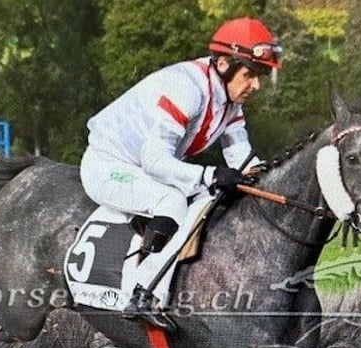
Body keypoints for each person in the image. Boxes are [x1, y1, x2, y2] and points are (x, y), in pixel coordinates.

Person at [79, 17, 282, 328]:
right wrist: (211, 174)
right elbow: (155, 161)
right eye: (251, 74)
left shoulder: (230, 102)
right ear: (224, 64)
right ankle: (141, 292)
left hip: (143, 170)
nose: (256, 85)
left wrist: (273, 177)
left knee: (208, 199)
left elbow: (243, 157)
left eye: (261, 76)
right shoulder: (187, 89)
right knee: (171, 201)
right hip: (108, 166)